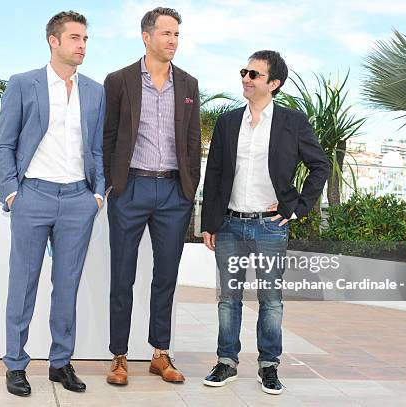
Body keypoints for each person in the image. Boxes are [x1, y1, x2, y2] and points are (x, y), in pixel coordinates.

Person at [200, 50, 329, 394]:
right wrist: (209, 222)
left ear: (273, 84)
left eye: (254, 74)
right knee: (229, 298)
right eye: (245, 71)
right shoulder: (228, 122)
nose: (246, 78)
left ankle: (268, 366)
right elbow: (213, 176)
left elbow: (320, 166)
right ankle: (226, 362)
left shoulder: (293, 122)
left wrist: (297, 208)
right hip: (229, 225)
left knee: (270, 299)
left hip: (271, 226)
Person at [0, 10, 105, 396]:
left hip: (78, 199)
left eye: (86, 39)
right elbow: (5, 143)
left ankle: (60, 363)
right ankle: (15, 364)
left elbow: (96, 148)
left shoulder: (94, 90)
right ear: (53, 41)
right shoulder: (23, 84)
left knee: (67, 285)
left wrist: (97, 193)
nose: (82, 45)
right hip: (33, 196)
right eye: (75, 38)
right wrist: (11, 191)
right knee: (22, 283)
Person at [103, 6, 201, 386]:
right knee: (122, 275)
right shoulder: (120, 80)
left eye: (177, 34)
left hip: (174, 192)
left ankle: (160, 353)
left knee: (166, 277)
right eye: (166, 33)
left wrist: (188, 190)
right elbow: (108, 136)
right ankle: (119, 356)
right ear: (147, 37)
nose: (173, 40)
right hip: (131, 189)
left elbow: (193, 141)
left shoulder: (189, 84)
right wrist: (112, 185)